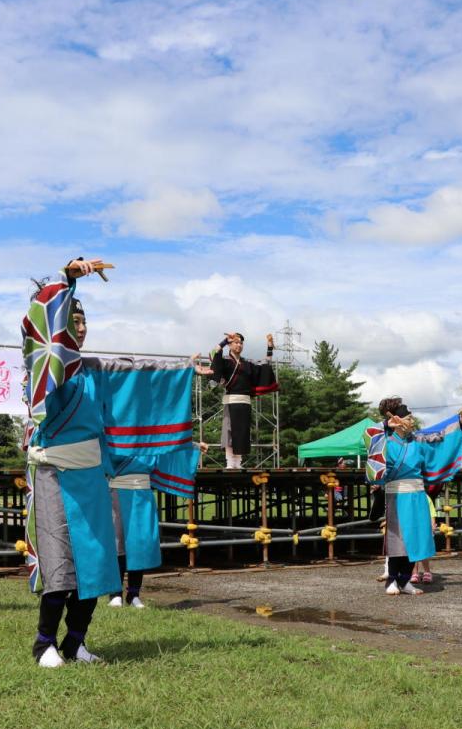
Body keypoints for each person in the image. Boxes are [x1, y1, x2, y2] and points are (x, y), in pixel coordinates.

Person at [22, 259, 195, 667]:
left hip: (92, 476)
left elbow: (139, 377)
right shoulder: (44, 367)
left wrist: (189, 371)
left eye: (83, 321)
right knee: (61, 564)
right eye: (73, 319)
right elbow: (40, 334)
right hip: (55, 475)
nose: (80, 327)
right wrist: (67, 281)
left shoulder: (94, 370)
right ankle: (44, 643)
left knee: (98, 566)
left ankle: (75, 642)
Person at [365, 397, 462, 596]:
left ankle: (405, 581)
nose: (412, 422)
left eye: (412, 418)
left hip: (417, 495)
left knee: (415, 539)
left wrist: (460, 423)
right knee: (399, 540)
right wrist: (386, 424)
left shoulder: (418, 440)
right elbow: (369, 436)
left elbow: (440, 439)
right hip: (397, 495)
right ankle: (392, 580)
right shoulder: (386, 440)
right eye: (409, 418)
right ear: (398, 420)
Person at [108, 443, 202, 608]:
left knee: (141, 544)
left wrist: (191, 446)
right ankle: (115, 594)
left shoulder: (150, 436)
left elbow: (169, 443)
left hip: (143, 493)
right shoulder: (116, 433)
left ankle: (134, 594)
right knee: (118, 542)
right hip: (118, 490)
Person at [198, 332, 278, 469]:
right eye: (236, 342)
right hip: (231, 401)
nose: (239, 345)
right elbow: (213, 354)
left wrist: (270, 347)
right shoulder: (225, 361)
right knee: (230, 432)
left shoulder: (248, 364)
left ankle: (237, 463)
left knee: (242, 433)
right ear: (230, 345)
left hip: (245, 402)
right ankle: (230, 463)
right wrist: (224, 341)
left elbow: (265, 366)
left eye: (241, 343)